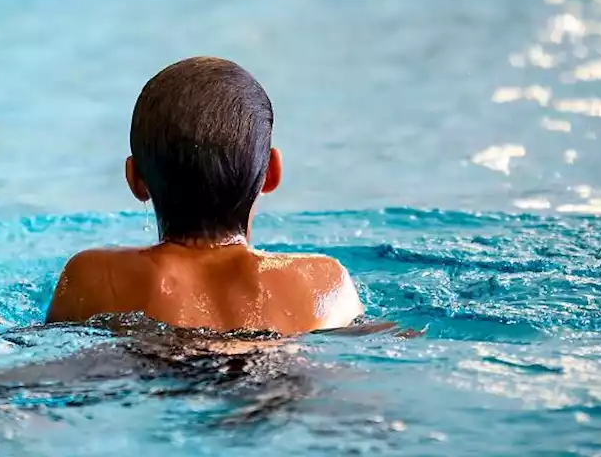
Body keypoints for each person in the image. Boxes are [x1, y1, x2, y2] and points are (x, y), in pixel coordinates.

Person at [46, 57, 363, 334]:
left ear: (135, 179)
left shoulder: (92, 277)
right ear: (271, 172)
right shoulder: (322, 282)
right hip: (273, 381)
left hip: (149, 375)